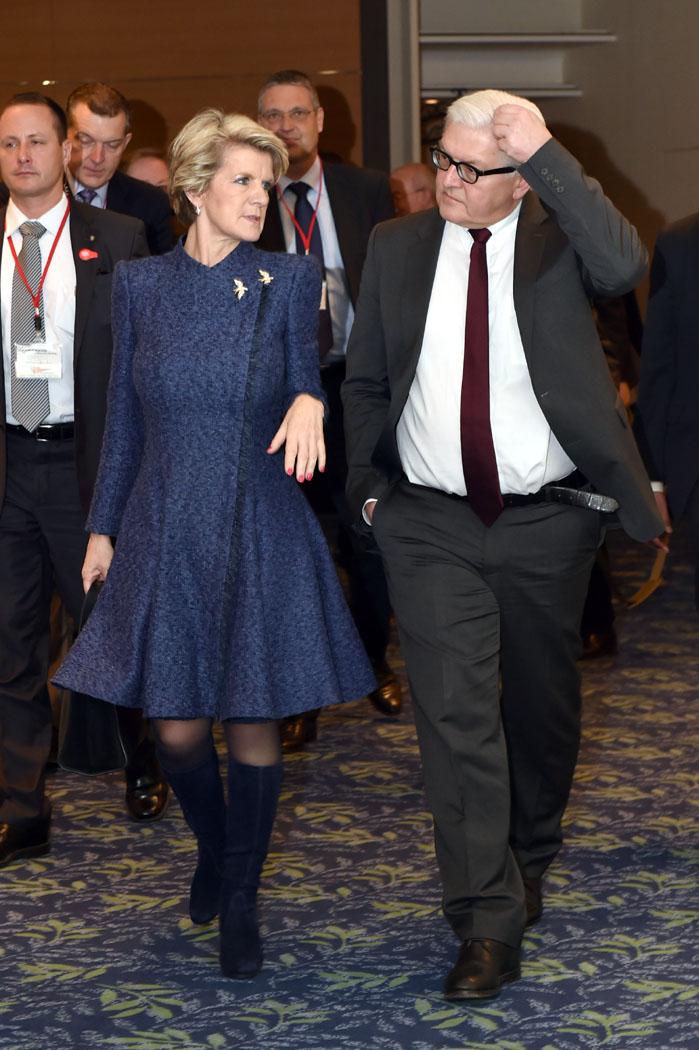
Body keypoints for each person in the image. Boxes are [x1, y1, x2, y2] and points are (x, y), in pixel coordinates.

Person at [342, 89, 663, 1000]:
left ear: (521, 180)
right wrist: (373, 500)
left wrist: (545, 149)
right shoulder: (396, 247)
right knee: (453, 719)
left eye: (471, 169)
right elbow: (367, 379)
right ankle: (483, 918)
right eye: (441, 159)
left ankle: (527, 854)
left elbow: (624, 260)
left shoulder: (560, 238)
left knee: (538, 710)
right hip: (429, 520)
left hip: (546, 518)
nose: (446, 180)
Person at [54, 109, 375, 980]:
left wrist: (309, 400)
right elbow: (122, 417)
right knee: (177, 728)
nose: (258, 197)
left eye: (266, 184)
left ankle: (239, 892)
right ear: (194, 189)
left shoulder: (286, 275)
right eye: (241, 180)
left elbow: (308, 376)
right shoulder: (141, 284)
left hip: (256, 520)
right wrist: (103, 526)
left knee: (251, 722)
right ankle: (217, 848)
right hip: (163, 523)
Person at [0, 92, 149, 867]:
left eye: (36, 141)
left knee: (111, 626)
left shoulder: (119, 239)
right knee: (9, 643)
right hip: (7, 463)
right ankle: (21, 806)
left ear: (66, 151)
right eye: (8, 144)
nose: (22, 156)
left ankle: (146, 757)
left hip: (85, 464)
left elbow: (143, 367)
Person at [256, 69, 400, 747]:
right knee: (293, 547)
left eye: (295, 114)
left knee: (367, 537)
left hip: (359, 389)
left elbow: (398, 289)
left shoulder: (366, 190)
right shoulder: (246, 199)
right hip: (282, 400)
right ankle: (301, 688)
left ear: (319, 122)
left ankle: (371, 662)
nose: (284, 126)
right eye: (271, 116)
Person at [66, 82, 174, 255]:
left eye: (112, 145)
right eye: (86, 141)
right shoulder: (34, 195)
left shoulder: (150, 204)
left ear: (125, 144)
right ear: (65, 137)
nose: (97, 158)